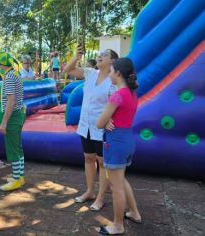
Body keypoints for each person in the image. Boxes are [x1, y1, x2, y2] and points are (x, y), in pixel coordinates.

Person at [64, 47, 119, 212]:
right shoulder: (90, 73)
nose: (100, 56)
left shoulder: (114, 80)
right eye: (100, 54)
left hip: (101, 127)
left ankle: (100, 198)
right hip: (85, 125)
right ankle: (89, 191)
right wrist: (77, 56)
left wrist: (111, 119)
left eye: (105, 55)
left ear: (113, 61)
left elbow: (116, 104)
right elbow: (68, 70)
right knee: (88, 158)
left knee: (102, 163)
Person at [96, 58, 141, 235]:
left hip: (115, 143)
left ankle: (117, 225)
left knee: (116, 187)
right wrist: (108, 121)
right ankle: (135, 213)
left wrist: (106, 121)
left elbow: (99, 123)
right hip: (127, 140)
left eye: (111, 70)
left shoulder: (117, 95)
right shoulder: (131, 93)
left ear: (118, 74)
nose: (109, 73)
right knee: (121, 180)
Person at [0, 51, 25, 191]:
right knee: (17, 147)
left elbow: (11, 101)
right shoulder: (13, 74)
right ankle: (19, 176)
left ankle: (17, 179)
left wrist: (4, 122)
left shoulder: (10, 77)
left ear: (1, 64)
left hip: (12, 116)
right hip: (17, 114)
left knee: (12, 148)